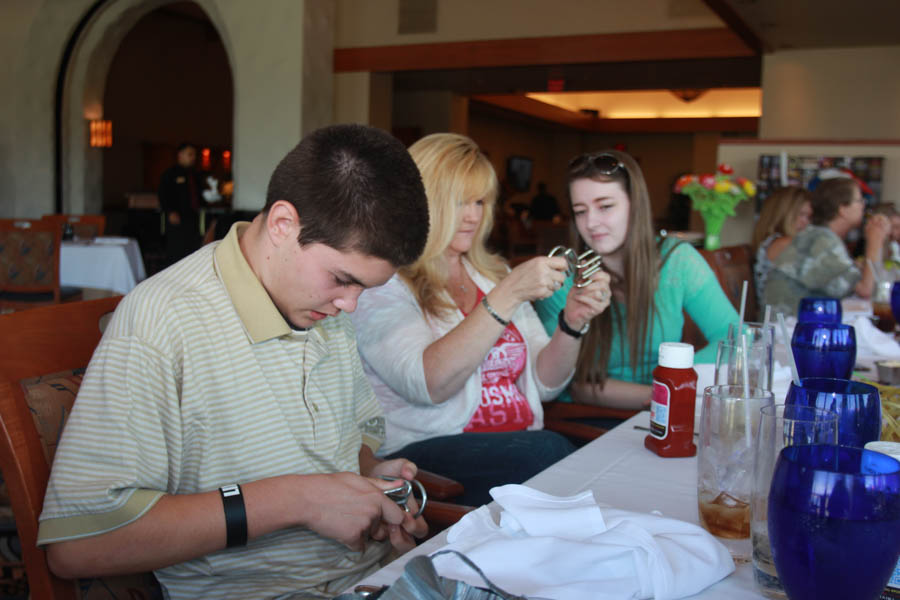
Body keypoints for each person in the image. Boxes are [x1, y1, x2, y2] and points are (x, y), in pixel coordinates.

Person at [37, 125, 431, 599]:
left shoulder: (323, 310)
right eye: (342, 278)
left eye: (364, 288)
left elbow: (345, 441)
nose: (350, 305)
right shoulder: (164, 319)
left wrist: (366, 480)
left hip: (375, 577)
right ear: (284, 224)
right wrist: (298, 500)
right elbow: (79, 544)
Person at [350, 133, 611, 506]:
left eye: (479, 201)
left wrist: (572, 322)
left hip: (521, 443)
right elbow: (427, 383)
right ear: (421, 201)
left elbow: (546, 384)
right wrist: (505, 297)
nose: (473, 215)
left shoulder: (490, 273)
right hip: (425, 452)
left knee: (560, 457)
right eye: (459, 202)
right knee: (549, 455)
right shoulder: (385, 281)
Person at [534, 150, 738, 412]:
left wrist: (674, 381)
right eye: (580, 211)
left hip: (664, 410)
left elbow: (735, 339)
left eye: (605, 206)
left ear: (635, 204)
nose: (591, 223)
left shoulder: (677, 260)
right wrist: (661, 393)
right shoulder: (562, 276)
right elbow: (568, 384)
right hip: (592, 420)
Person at [763, 176, 891, 317]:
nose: (863, 205)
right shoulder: (822, 240)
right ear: (842, 209)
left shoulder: (818, 236)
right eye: (859, 200)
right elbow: (866, 290)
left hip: (799, 322)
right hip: (787, 329)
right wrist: (875, 241)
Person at [751, 186, 812, 309]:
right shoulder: (784, 244)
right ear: (783, 214)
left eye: (810, 217)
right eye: (801, 215)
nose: (806, 222)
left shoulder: (772, 241)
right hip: (781, 321)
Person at [158, 142, 204, 264]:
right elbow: (163, 195)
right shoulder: (170, 174)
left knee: (193, 250)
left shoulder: (195, 174)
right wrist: (170, 212)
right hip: (176, 219)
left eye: (194, 155)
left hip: (193, 218)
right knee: (176, 251)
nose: (193, 158)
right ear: (180, 155)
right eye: (190, 154)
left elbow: (200, 195)